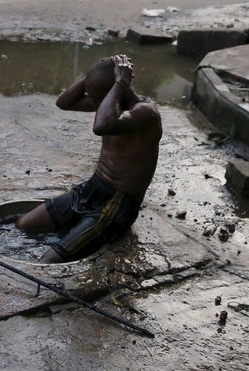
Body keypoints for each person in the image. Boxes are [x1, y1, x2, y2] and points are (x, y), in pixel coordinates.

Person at [16, 55, 162, 263]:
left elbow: (101, 126)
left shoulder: (146, 114)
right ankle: (80, 230)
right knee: (23, 224)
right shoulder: (108, 106)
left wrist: (119, 82)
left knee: (47, 261)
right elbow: (64, 102)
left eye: (96, 99)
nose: (91, 104)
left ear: (115, 92)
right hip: (92, 188)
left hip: (117, 203)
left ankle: (91, 233)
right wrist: (93, 74)